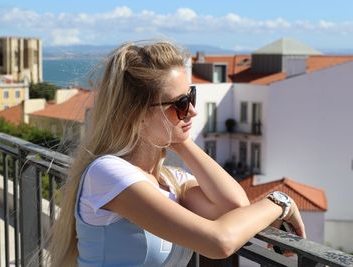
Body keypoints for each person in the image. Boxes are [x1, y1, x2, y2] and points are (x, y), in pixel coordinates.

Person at [47, 41, 306, 267]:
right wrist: (280, 202)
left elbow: (234, 207)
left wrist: (180, 140)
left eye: (191, 96)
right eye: (180, 104)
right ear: (137, 114)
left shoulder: (172, 182)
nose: (192, 110)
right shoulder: (108, 174)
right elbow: (219, 241)